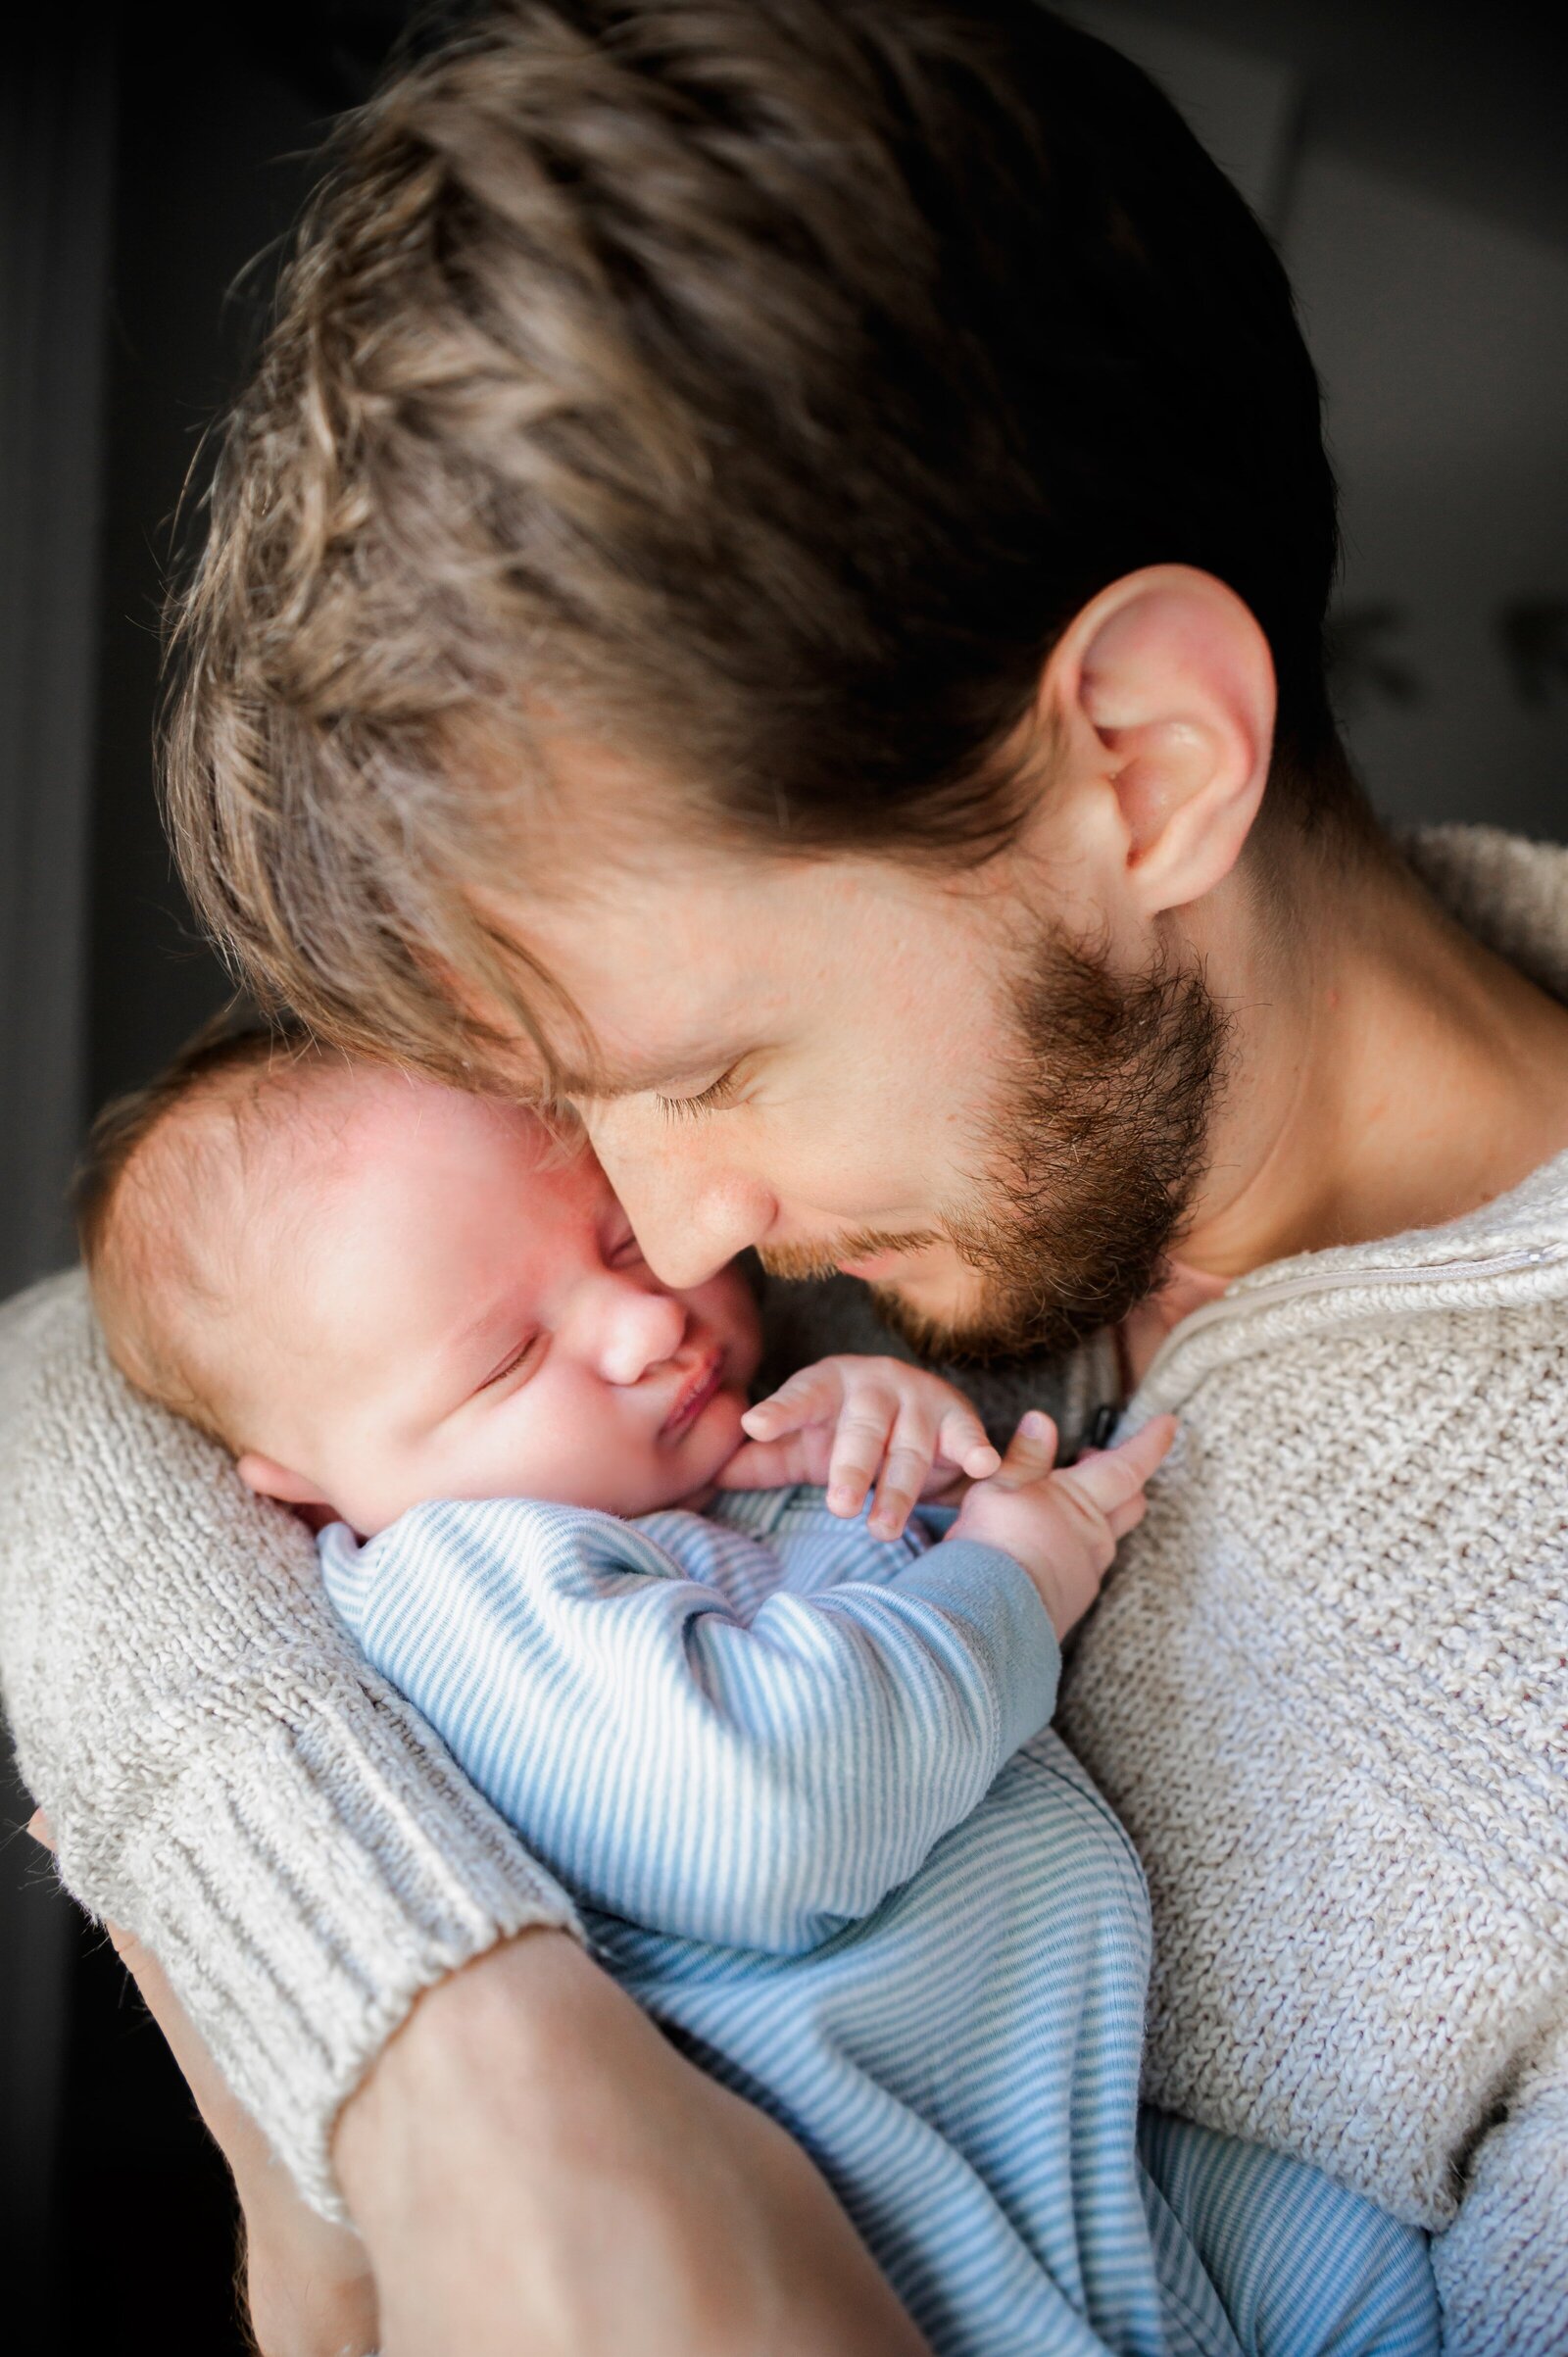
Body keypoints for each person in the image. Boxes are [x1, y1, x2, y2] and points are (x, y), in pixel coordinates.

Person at [2, 3, 1565, 2351]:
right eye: (570, 1119)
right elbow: (86, 1388)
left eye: (713, 1067)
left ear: (1140, 768)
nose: (680, 1246)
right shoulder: (837, 1237)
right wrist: (486, 2081)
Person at [73, 1025, 1439, 2357]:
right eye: (505, 1358)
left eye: (615, 1235)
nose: (640, 1319)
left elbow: (896, 1623)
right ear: (308, 1488)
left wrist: (899, 1457)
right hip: (877, 2197)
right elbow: (765, 1801)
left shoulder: (711, 1457)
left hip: (1065, 2132)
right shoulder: (465, 1573)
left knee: (1382, 2271)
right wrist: (1008, 1581)